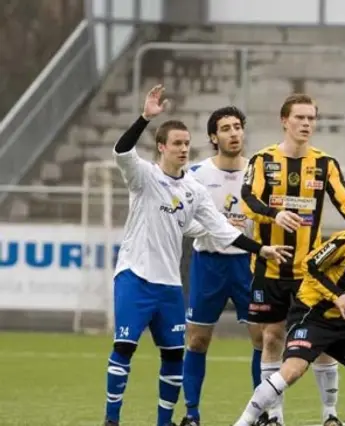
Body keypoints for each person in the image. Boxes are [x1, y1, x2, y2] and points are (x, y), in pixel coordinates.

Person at [103, 85, 291, 426]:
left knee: (185, 352)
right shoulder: (151, 176)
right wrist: (145, 117)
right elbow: (121, 151)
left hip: (197, 276)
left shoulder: (196, 189)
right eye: (177, 143)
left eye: (186, 144)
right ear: (161, 147)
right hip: (161, 271)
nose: (183, 149)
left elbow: (220, 226)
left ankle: (244, 413)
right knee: (150, 345)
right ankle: (125, 418)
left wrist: (261, 248)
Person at [241, 93, 345, 426]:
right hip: (269, 268)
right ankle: (274, 416)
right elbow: (247, 201)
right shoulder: (262, 160)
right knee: (271, 337)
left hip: (311, 274)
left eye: (311, 118)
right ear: (285, 121)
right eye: (300, 118)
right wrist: (273, 214)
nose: (306, 124)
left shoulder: (325, 164)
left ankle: (329, 415)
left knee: (321, 342)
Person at [232, 190, 345, 426]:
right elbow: (310, 265)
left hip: (343, 324)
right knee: (292, 371)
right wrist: (338, 296)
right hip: (312, 317)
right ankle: (243, 422)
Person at [179, 106, 263, 426]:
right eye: (226, 128)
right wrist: (218, 229)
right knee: (198, 340)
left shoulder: (259, 172)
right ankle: (192, 413)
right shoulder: (197, 173)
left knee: (262, 339)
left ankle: (261, 411)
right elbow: (183, 222)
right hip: (209, 264)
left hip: (249, 265)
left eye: (238, 127)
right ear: (214, 137)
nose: (234, 133)